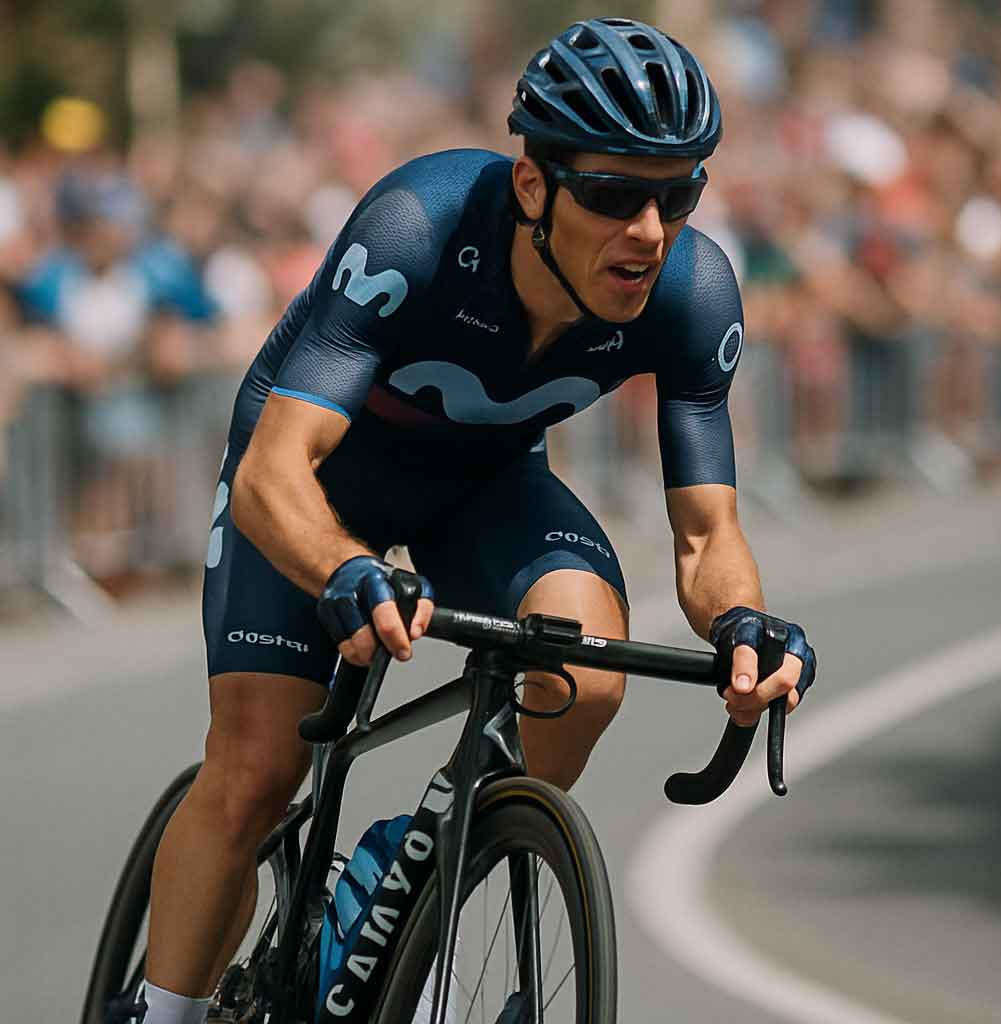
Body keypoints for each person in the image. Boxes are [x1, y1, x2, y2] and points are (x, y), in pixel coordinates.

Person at [138, 17, 817, 1023]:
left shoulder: (691, 289)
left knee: (586, 670)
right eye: (612, 193)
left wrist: (742, 626)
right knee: (257, 769)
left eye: (677, 194)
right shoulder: (421, 221)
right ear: (535, 186)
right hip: (318, 482)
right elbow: (275, 470)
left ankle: (416, 873)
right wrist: (340, 568)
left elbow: (706, 533)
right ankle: (163, 1010)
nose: (647, 229)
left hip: (480, 483)